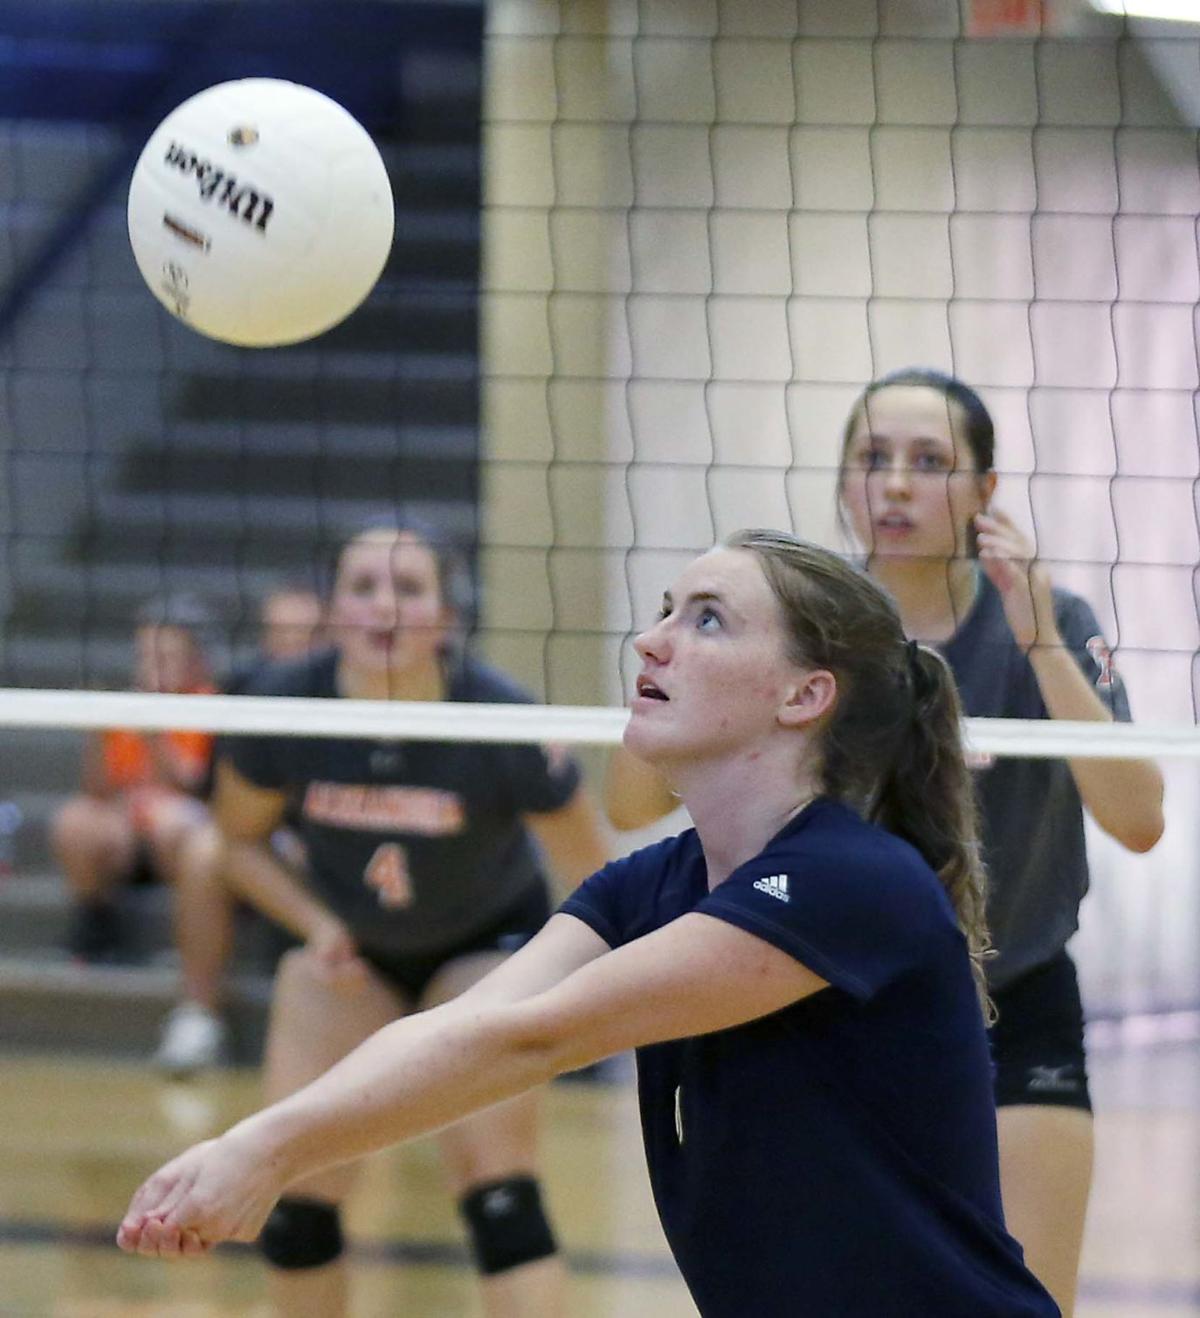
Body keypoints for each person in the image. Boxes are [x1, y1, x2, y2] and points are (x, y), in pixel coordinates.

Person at [118, 529, 1060, 1317]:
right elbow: (464, 1025)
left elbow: (534, 1036)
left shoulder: (853, 881)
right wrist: (256, 1146)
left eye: (707, 621)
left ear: (804, 695)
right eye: (663, 610)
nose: (651, 642)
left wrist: (267, 1150)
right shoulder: (650, 883)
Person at [140, 523, 611, 1318]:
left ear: (447, 616)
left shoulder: (499, 719)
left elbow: (600, 876)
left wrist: (574, 990)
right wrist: (314, 922)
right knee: (296, 1203)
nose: (384, 606)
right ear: (331, 610)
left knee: (499, 1192)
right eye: (362, 587)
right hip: (350, 953)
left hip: (483, 946)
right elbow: (237, 843)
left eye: (409, 588)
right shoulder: (284, 707)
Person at [837, 368, 1163, 1316]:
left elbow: (1139, 820)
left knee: (1026, 1303)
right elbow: (642, 792)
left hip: (1015, 999)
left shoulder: (1053, 621)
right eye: (873, 458)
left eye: (929, 462)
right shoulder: (808, 626)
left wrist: (1039, 646)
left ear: (985, 493)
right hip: (849, 1003)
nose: (895, 484)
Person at [154, 581, 328, 1077]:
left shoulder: (363, 685)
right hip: (268, 843)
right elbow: (215, 795)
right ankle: (197, 1017)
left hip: (345, 842)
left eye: (308, 633)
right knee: (206, 847)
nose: (295, 645)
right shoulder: (246, 685)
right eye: (282, 633)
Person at [52, 594, 217, 964]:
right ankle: (95, 925)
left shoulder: (213, 706)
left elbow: (195, 788)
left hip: (180, 837)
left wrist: (154, 734)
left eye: (166, 657)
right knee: (76, 820)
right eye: (146, 656)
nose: (153, 666)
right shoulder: (126, 707)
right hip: (129, 835)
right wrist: (96, 734)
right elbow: (96, 791)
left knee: (173, 820)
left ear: (197, 660)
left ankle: (188, 933)